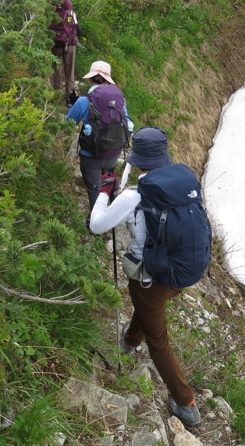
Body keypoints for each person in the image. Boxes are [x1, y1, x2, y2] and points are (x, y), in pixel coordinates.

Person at [88, 127, 202, 429]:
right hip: (181, 272)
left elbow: (97, 226)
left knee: (159, 340)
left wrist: (102, 193)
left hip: (149, 277)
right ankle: (129, 340)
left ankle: (186, 403)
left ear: (137, 162)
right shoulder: (182, 184)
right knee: (147, 307)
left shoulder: (133, 196)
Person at [66, 61, 133, 211]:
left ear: (91, 78)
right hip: (113, 153)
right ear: (108, 79)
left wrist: (73, 104)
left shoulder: (85, 100)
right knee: (107, 183)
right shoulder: (120, 100)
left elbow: (68, 122)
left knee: (94, 189)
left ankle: (97, 227)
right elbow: (127, 122)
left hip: (90, 156)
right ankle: (113, 212)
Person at [49, 0, 80, 105]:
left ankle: (57, 97)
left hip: (55, 44)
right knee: (69, 72)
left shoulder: (51, 11)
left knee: (57, 70)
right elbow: (78, 29)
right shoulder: (70, 12)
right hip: (69, 44)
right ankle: (69, 98)